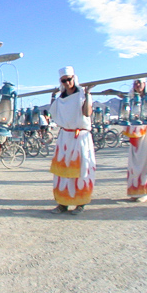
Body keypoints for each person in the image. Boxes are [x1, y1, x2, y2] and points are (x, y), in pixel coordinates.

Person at [49, 66, 95, 215]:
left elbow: (87, 113)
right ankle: (63, 203)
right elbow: (54, 114)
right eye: (64, 80)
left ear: (74, 78)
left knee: (81, 171)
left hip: (80, 137)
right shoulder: (60, 98)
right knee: (62, 172)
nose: (67, 82)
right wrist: (52, 96)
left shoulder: (82, 94)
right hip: (65, 138)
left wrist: (88, 94)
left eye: (69, 79)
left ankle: (80, 203)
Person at [123, 79, 147, 203]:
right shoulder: (131, 98)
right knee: (134, 163)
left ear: (145, 84)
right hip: (135, 132)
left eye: (140, 82)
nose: (137, 85)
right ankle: (135, 189)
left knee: (146, 161)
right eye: (135, 83)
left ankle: (145, 190)